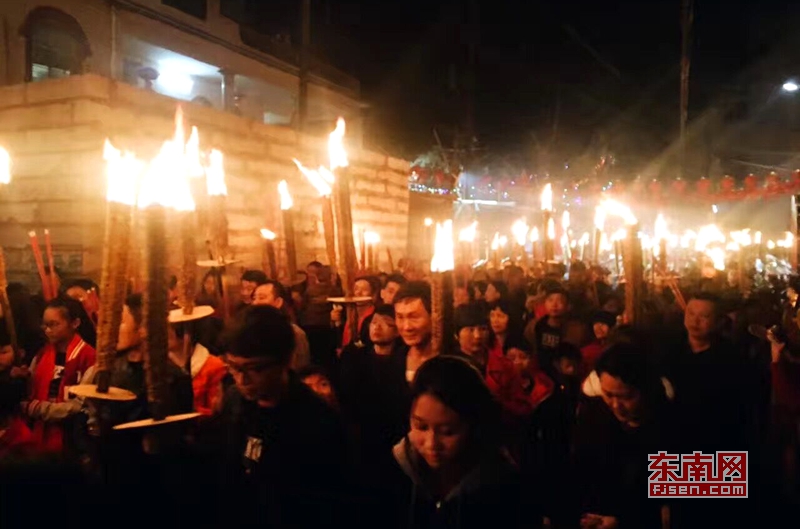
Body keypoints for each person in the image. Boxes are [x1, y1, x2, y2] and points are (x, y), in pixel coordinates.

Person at [216, 305, 349, 527]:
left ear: (286, 360)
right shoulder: (235, 402)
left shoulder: (316, 421)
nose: (242, 379)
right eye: (234, 368)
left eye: (255, 369)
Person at [392, 355, 535, 529]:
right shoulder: (393, 471)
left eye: (448, 432)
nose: (431, 444)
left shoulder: (504, 487)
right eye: (421, 426)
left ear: (474, 426)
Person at [575, 343, 674, 529]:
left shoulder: (672, 432)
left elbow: (672, 509)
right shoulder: (597, 418)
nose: (615, 405)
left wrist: (623, 521)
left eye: (626, 397)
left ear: (646, 389)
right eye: (608, 394)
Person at [25, 296, 97, 453]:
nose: (47, 330)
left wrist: (39, 409)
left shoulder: (88, 357)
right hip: (40, 432)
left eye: (54, 324)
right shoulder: (42, 353)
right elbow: (30, 385)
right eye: (45, 325)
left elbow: (82, 405)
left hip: (72, 437)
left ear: (75, 323)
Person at [167, 315, 226, 416]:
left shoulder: (212, 366)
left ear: (186, 335)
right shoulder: (160, 366)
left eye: (167, 331)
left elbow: (214, 412)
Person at [253, 281, 311, 369]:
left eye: (261, 298)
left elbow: (299, 369)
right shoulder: (250, 330)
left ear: (278, 302)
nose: (255, 303)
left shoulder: (294, 333)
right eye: (254, 298)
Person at [394, 281, 435, 382]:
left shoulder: (453, 362)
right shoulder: (394, 360)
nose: (407, 327)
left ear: (433, 316)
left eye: (414, 317)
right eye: (400, 317)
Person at [333, 276, 379, 349]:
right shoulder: (348, 312)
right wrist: (337, 322)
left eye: (364, 290)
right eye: (356, 289)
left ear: (373, 294)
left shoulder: (375, 316)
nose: (358, 293)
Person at [580, 311, 616, 376]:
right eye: (595, 323)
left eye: (602, 324)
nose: (598, 328)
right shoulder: (587, 351)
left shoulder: (615, 348)